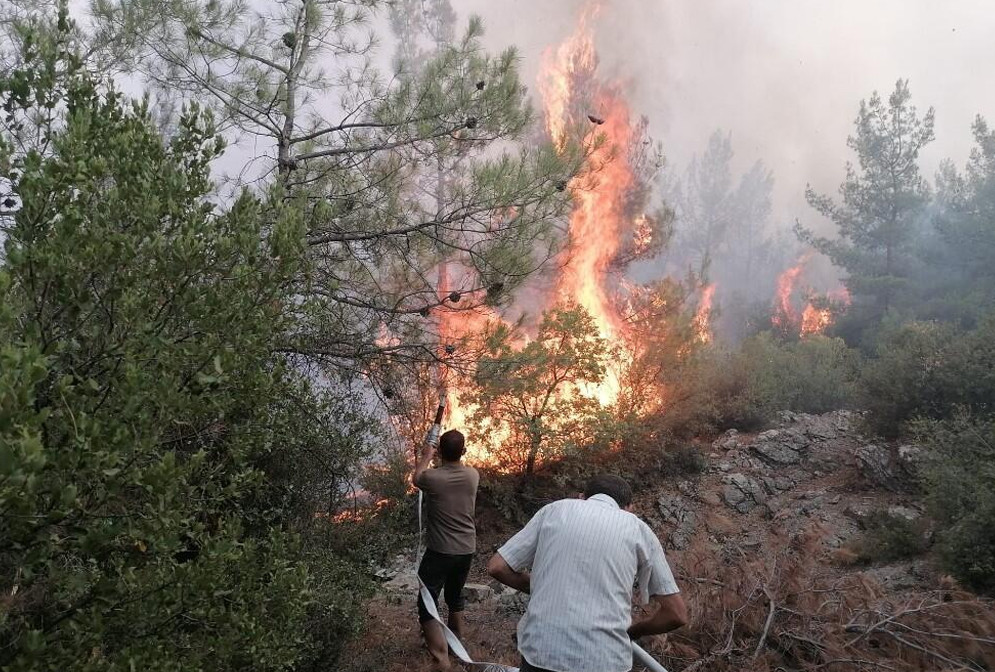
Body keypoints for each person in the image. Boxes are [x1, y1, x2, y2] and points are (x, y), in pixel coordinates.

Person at [486, 474, 688, 672]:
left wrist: (539, 587)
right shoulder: (639, 529)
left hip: (542, 653)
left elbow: (497, 567)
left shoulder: (554, 511)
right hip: (606, 660)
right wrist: (634, 632)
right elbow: (676, 614)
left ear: (581, 496)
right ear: (629, 509)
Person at [413, 429, 480, 671]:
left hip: (441, 551)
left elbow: (417, 477)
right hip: (466, 550)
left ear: (440, 451)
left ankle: (442, 659)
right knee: (454, 596)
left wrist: (426, 454)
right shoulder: (473, 475)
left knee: (426, 601)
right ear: (463, 451)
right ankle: (457, 644)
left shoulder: (433, 478)